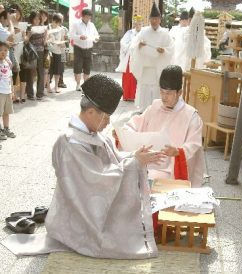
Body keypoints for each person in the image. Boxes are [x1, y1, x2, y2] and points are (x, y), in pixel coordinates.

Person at [44, 74, 163, 259]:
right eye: (106, 117)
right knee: (111, 240)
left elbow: (111, 163)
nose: (108, 122)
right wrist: (134, 163)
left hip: (94, 200)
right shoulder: (70, 142)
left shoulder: (94, 133)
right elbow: (95, 178)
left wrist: (135, 156)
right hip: (79, 214)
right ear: (91, 112)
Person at [117, 65, 203, 188]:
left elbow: (194, 144)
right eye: (161, 91)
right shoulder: (155, 106)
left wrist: (178, 151)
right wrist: (123, 133)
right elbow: (135, 124)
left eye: (168, 93)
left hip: (170, 168)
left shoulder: (191, 116)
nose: (163, 97)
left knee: (149, 182)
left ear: (179, 92)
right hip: (147, 162)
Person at [130, 2, 174, 111]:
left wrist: (164, 50)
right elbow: (134, 45)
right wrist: (139, 45)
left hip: (158, 68)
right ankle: (143, 110)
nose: (154, 21)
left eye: (156, 19)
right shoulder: (143, 31)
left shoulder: (165, 33)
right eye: (152, 19)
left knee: (156, 89)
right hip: (145, 67)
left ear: (160, 19)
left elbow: (171, 48)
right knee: (144, 89)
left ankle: (156, 110)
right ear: (149, 19)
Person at [70, 9, 99, 91]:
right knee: (78, 67)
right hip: (79, 47)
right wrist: (79, 37)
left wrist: (96, 39)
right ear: (82, 16)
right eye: (86, 17)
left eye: (89, 17)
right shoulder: (76, 24)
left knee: (87, 67)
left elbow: (96, 35)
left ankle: (85, 85)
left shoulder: (92, 25)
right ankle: (78, 84)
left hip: (89, 48)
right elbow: (71, 35)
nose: (88, 19)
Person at [116, 15, 143, 101]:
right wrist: (132, 44)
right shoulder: (130, 32)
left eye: (139, 23)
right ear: (134, 24)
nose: (138, 25)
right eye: (136, 23)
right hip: (130, 57)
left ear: (142, 24)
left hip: (140, 57)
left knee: (138, 76)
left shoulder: (144, 33)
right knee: (128, 77)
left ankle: (136, 96)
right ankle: (127, 95)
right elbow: (123, 43)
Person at [25, 11, 47, 100]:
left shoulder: (44, 27)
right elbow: (26, 41)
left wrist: (47, 38)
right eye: (35, 18)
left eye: (38, 18)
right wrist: (29, 34)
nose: (37, 20)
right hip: (31, 52)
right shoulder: (29, 27)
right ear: (32, 19)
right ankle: (30, 94)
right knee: (30, 72)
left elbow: (44, 42)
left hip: (41, 52)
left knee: (40, 72)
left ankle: (40, 93)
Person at [0, 41, 16, 148]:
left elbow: (10, 77)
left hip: (7, 91)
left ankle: (6, 128)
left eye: (6, 50)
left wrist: (12, 90)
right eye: (1, 50)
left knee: (6, 112)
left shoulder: (7, 63)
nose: (3, 52)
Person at [47, 13, 64, 93]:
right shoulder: (48, 27)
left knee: (57, 71)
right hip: (49, 52)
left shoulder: (61, 29)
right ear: (53, 20)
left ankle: (56, 86)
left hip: (58, 52)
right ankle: (48, 87)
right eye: (56, 22)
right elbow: (45, 40)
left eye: (59, 22)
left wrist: (61, 44)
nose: (57, 24)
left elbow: (63, 42)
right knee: (48, 70)